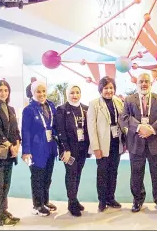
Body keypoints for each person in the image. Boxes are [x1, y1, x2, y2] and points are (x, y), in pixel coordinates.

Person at [121, 73, 157, 213]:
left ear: (151, 83)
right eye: (141, 81)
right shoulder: (129, 100)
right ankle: (137, 201)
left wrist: (152, 129)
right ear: (137, 84)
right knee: (136, 174)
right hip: (136, 143)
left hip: (156, 142)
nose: (144, 84)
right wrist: (139, 127)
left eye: (146, 81)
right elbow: (124, 117)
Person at [87, 76, 125, 212]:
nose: (108, 90)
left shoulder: (118, 102)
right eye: (106, 88)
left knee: (113, 172)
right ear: (100, 89)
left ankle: (111, 198)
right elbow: (91, 128)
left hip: (116, 143)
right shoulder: (94, 104)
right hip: (102, 146)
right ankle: (102, 200)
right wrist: (96, 148)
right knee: (102, 173)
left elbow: (123, 122)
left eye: (111, 88)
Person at [0, 80, 21, 226]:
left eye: (6, 90)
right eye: (0, 90)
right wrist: (9, 145)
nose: (3, 93)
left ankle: (4, 210)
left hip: (9, 154)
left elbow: (15, 130)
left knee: (6, 183)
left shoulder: (11, 108)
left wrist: (17, 144)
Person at [21, 81, 58, 216]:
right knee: (37, 177)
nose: (41, 94)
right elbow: (25, 131)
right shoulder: (29, 110)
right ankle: (37, 205)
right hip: (36, 149)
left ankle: (45, 201)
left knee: (47, 176)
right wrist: (26, 151)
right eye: (38, 92)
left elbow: (54, 125)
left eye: (43, 91)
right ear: (33, 93)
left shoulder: (51, 105)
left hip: (50, 147)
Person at [55, 84, 91, 217]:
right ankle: (71, 203)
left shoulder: (86, 109)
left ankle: (74, 199)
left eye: (77, 92)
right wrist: (65, 149)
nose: (74, 95)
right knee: (71, 174)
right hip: (68, 150)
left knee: (78, 173)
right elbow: (60, 131)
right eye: (72, 93)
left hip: (82, 148)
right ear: (67, 94)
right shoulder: (61, 109)